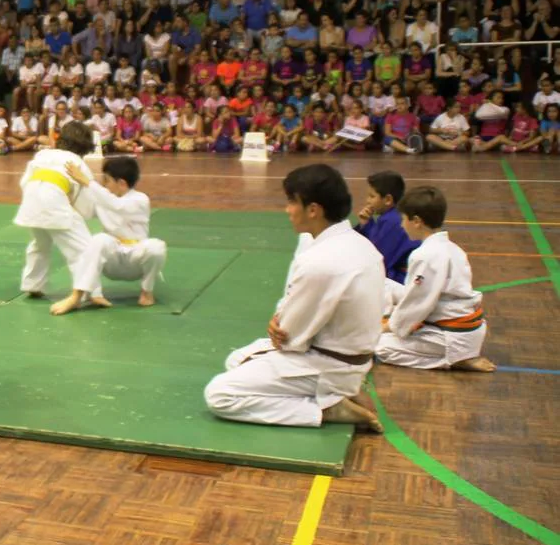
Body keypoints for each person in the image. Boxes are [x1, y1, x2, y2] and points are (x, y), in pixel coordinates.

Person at [204, 164, 384, 430]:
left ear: (313, 209)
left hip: (326, 364)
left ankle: (324, 408)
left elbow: (290, 338)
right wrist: (282, 324)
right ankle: (337, 392)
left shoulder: (320, 262)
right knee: (237, 360)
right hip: (350, 358)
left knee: (219, 394)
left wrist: (280, 326)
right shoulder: (361, 245)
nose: (287, 210)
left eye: (291, 202)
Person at [377, 186, 495, 372]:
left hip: (452, 335)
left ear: (416, 221)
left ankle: (455, 359)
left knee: (381, 346)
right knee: (381, 281)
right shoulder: (451, 248)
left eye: (403, 219)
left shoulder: (426, 255)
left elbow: (419, 303)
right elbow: (419, 297)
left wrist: (390, 327)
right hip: (457, 323)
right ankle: (387, 318)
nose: (401, 225)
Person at [54, 156, 168, 315]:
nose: (104, 185)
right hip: (112, 260)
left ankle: (146, 290)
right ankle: (78, 295)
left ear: (121, 183)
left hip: (136, 261)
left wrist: (87, 182)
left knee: (157, 247)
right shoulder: (103, 198)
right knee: (99, 239)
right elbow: (84, 212)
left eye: (106, 180)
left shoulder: (140, 199)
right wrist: (68, 194)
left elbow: (117, 206)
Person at [13, 121, 101, 302]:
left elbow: (25, 182)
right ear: (85, 147)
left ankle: (32, 285)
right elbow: (85, 203)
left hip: (31, 202)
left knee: (40, 244)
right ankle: (91, 292)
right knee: (83, 248)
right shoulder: (77, 163)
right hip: (54, 204)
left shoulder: (43, 154)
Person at [354, 171, 417, 284]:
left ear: (388, 200)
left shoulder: (392, 221)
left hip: (405, 280)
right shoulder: (394, 215)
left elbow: (378, 259)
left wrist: (367, 225)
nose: (367, 201)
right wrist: (366, 223)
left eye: (372, 196)